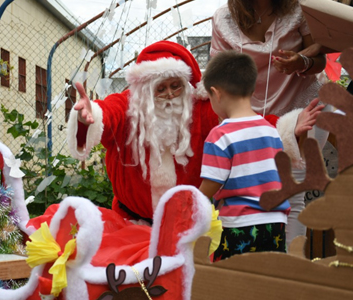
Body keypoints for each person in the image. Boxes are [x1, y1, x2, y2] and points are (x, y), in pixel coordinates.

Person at [67, 40, 319, 225]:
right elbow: (105, 116)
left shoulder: (203, 107)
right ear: (145, 89)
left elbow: (246, 121)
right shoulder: (127, 106)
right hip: (130, 223)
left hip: (191, 225)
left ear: (186, 83)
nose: (168, 95)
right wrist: (87, 117)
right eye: (160, 88)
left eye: (175, 86)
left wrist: (286, 129)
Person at [210, 0, 328, 247]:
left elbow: (319, 59)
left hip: (299, 106)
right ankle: (254, 264)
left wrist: (301, 62)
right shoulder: (223, 18)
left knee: (292, 194)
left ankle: (291, 269)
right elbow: (217, 73)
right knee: (248, 193)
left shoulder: (298, 10)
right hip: (246, 115)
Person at [200, 51, 292, 260]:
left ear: (216, 93)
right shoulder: (270, 130)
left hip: (239, 224)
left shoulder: (220, 135)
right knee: (268, 281)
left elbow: (211, 184)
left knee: (232, 283)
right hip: (275, 222)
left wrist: (193, 201)